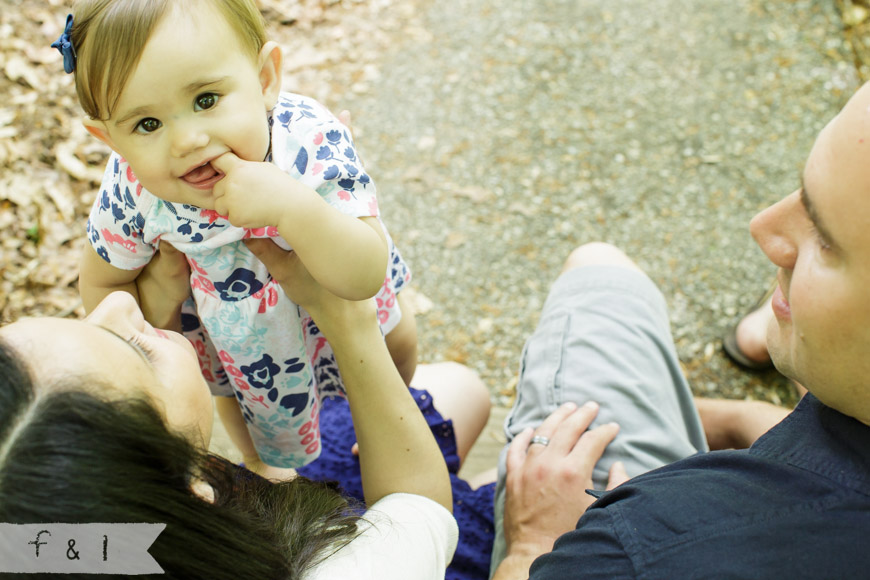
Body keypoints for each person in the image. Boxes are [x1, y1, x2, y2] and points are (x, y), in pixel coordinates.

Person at [491, 81, 870, 578]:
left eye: (824, 237)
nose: (763, 228)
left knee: (598, 268)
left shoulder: (631, 551)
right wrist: (743, 421)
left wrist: (534, 546)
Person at [55, 0, 416, 473]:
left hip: (343, 296)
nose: (187, 141)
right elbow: (102, 287)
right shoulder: (133, 189)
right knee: (235, 399)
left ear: (265, 80)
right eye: (147, 124)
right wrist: (151, 319)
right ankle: (261, 463)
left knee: (399, 343)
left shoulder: (307, 140)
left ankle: (393, 413)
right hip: (246, 350)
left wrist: (291, 204)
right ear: (110, 140)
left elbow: (365, 273)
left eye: (205, 100)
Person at [0, 238, 454, 580]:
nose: (117, 301)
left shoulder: (45, 545)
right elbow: (418, 506)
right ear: (197, 494)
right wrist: (342, 312)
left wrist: (158, 329)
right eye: (136, 349)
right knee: (459, 387)